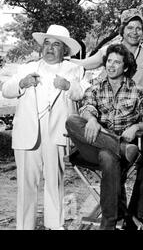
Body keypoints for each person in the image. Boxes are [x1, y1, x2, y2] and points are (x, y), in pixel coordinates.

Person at [2, 24, 87, 230]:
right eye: (46, 43)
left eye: (56, 44)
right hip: (27, 132)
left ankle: (54, 225)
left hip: (56, 132)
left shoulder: (74, 70)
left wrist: (68, 86)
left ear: (64, 50)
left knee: (55, 183)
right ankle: (25, 226)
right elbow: (6, 90)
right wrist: (22, 83)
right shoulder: (27, 68)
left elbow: (83, 93)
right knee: (26, 185)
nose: (49, 48)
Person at [65, 44, 143, 230]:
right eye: (109, 61)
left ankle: (108, 225)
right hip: (93, 146)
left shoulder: (138, 91)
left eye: (117, 62)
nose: (111, 65)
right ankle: (119, 147)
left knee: (108, 157)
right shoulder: (95, 88)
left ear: (125, 67)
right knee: (72, 121)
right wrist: (91, 119)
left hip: (112, 153)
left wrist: (137, 126)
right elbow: (87, 108)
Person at [71, 8, 143, 93]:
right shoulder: (108, 51)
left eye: (138, 28)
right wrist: (62, 60)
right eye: (130, 28)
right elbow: (82, 65)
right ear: (122, 30)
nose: (134, 32)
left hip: (141, 105)